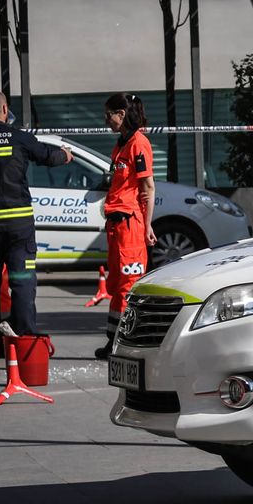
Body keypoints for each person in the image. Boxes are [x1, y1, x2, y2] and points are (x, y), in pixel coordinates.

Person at [0, 90, 70, 367]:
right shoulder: (18, 137)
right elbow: (47, 155)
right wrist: (65, 155)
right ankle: (24, 346)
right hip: (18, 228)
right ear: (5, 109)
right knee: (20, 282)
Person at [96, 92, 157, 359]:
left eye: (109, 114)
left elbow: (148, 187)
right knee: (115, 285)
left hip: (130, 225)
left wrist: (147, 226)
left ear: (121, 114)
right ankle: (113, 340)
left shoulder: (138, 144)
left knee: (128, 286)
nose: (106, 119)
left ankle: (124, 344)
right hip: (116, 225)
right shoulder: (121, 144)